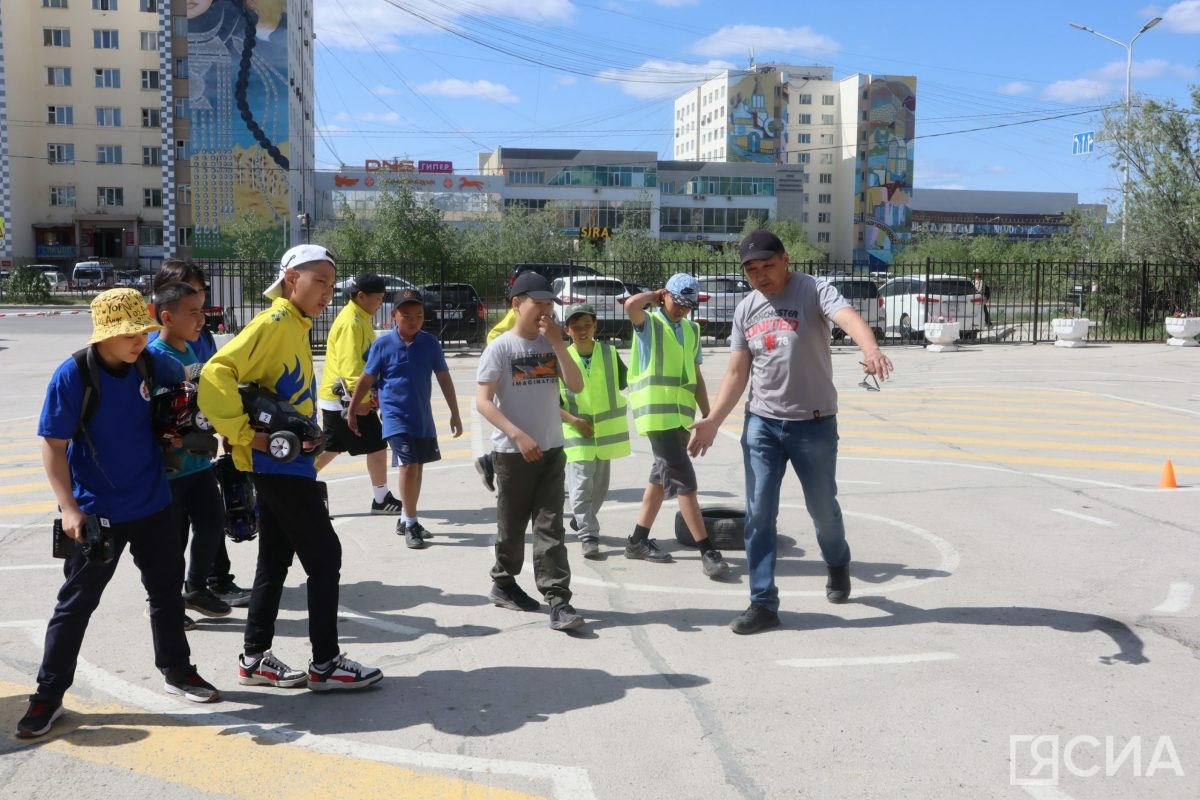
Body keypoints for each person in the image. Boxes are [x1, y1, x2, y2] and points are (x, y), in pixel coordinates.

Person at [17, 288, 221, 739]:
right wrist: (68, 507)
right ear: (104, 335)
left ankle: (177, 669)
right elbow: (52, 445)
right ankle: (48, 696)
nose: (138, 341)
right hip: (96, 513)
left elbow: (194, 388)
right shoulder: (73, 375)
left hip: (154, 502)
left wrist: (187, 422)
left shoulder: (152, 363)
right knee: (76, 605)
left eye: (143, 332)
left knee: (166, 592)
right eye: (128, 334)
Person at [690, 230, 894, 635]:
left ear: (786, 258)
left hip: (814, 424)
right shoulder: (746, 309)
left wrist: (869, 348)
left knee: (823, 509)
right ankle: (762, 601)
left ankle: (837, 562)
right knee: (759, 512)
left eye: (767, 265)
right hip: (762, 424)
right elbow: (736, 372)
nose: (761, 275)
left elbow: (848, 317)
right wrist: (713, 420)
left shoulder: (815, 290)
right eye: (752, 269)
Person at [198, 244, 382, 691]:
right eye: (318, 280)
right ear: (290, 278)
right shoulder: (276, 322)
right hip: (277, 465)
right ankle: (326, 663)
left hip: (290, 463)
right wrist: (247, 435)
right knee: (325, 557)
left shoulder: (295, 325)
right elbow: (215, 373)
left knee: (275, 560)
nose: (326, 292)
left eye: (331, 284)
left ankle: (255, 658)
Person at [476, 272, 586, 632]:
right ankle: (504, 581)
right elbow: (482, 401)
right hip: (513, 454)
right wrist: (517, 435)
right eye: (537, 302)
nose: (545, 308)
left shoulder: (549, 344)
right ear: (517, 303)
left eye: (549, 302)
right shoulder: (502, 348)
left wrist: (558, 343)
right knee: (511, 526)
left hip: (553, 450)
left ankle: (559, 599)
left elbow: (575, 384)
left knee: (551, 525)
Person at [149, 259, 250, 609]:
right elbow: (151, 410)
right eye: (193, 311)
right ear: (166, 316)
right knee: (172, 539)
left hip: (199, 460)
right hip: (172, 468)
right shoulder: (152, 356)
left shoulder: (191, 347)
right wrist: (167, 434)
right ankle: (166, 601)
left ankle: (196, 589)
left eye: (201, 309)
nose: (201, 319)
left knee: (211, 524)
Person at [622, 274, 728, 579]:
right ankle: (707, 550)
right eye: (677, 303)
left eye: (688, 306)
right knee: (684, 481)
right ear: (665, 296)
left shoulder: (692, 331)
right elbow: (630, 306)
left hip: (681, 418)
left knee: (659, 479)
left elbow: (695, 379)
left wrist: (710, 417)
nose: (682, 310)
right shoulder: (650, 325)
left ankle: (637, 541)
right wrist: (652, 293)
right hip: (657, 417)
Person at [347, 288, 463, 548]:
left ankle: (405, 517)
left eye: (419, 315)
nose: (413, 320)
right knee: (408, 466)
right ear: (393, 316)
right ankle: (411, 523)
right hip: (394, 417)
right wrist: (353, 409)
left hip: (421, 417)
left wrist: (455, 413)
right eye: (407, 315)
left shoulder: (430, 344)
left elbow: (444, 377)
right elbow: (367, 378)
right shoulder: (383, 345)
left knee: (417, 467)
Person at [314, 272, 403, 516]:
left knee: (333, 446)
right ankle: (381, 498)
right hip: (346, 399)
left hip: (344, 399)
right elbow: (351, 366)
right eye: (378, 298)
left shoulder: (359, 317)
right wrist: (361, 402)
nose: (380, 303)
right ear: (361, 296)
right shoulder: (351, 322)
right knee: (372, 444)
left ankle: (295, 484)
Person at [557, 302, 631, 560]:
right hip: (576, 432)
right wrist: (575, 421)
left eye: (587, 325)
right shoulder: (561, 359)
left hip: (605, 434)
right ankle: (589, 533)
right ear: (567, 330)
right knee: (579, 485)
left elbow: (628, 381)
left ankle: (581, 520)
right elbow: (551, 402)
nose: (582, 330)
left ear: (596, 326)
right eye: (575, 327)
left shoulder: (610, 354)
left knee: (599, 488)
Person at [472, 302, 518, 493]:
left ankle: (490, 461)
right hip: (509, 364)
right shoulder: (520, 313)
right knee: (515, 421)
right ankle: (492, 461)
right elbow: (495, 336)